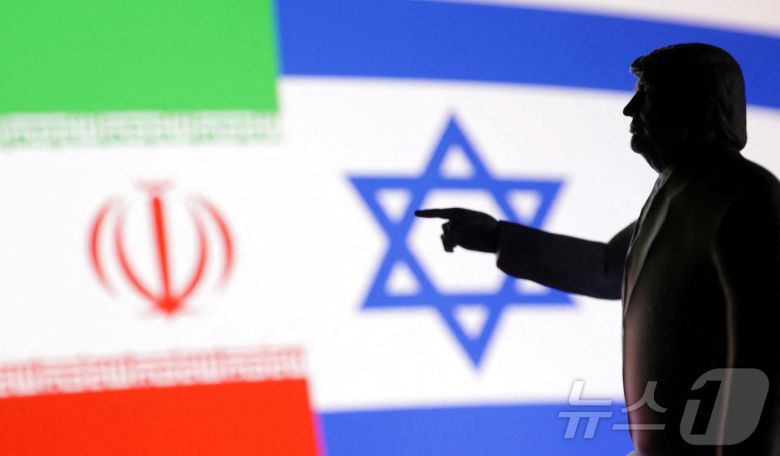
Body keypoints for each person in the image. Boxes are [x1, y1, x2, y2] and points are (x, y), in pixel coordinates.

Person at [416, 43, 779, 455]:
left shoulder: (744, 196)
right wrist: (498, 238)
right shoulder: (678, 191)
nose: (630, 109)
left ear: (697, 105)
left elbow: (760, 364)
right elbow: (607, 268)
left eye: (648, 94)